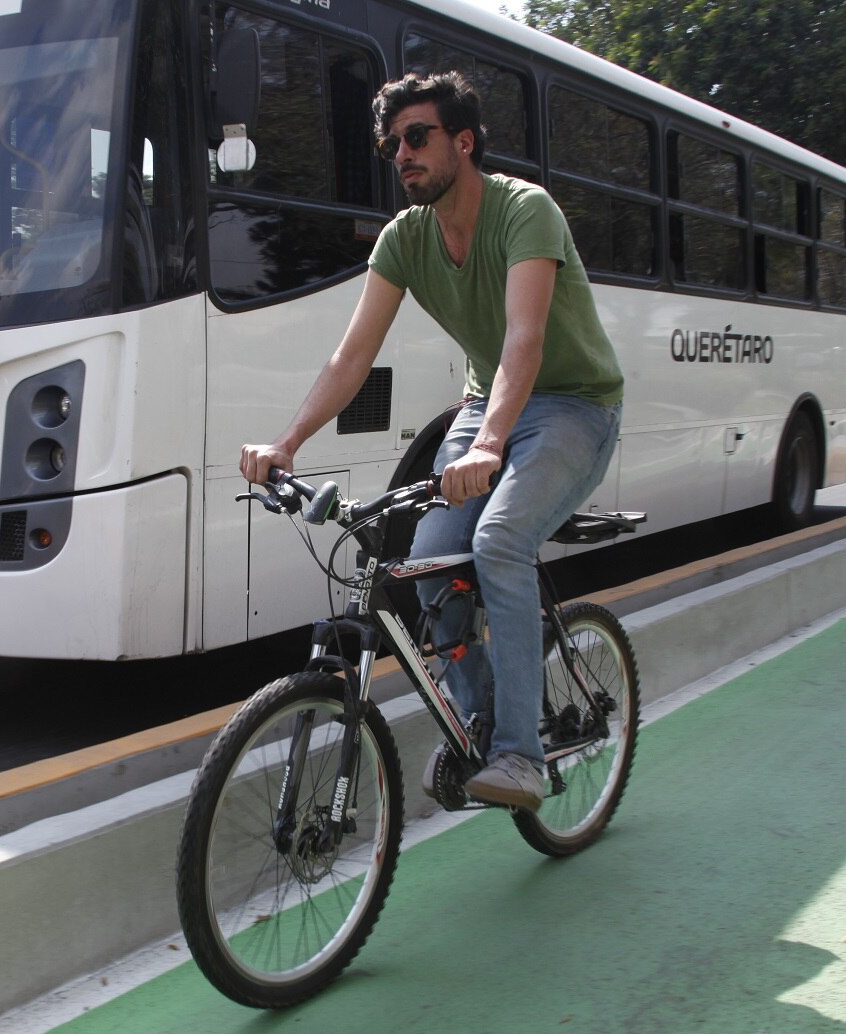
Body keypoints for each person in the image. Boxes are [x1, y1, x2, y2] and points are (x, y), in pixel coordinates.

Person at [239, 71, 623, 813]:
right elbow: (351, 358)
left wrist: (489, 446)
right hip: (489, 409)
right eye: (391, 144)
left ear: (463, 141)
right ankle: (482, 722)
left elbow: (525, 337)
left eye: (416, 137)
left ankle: (521, 757)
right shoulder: (405, 239)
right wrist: (286, 442)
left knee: (501, 542)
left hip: (573, 406)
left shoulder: (523, 211)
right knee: (424, 571)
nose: (401, 153)